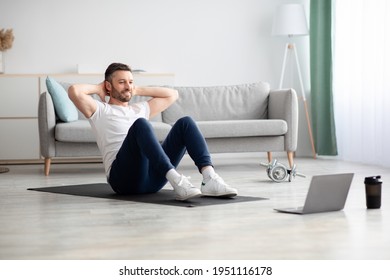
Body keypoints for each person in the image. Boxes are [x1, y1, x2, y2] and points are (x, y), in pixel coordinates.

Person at [68, 62, 238, 201]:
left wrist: (138, 90)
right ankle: (176, 180)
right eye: (122, 82)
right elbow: (74, 90)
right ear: (108, 86)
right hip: (123, 181)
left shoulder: (139, 108)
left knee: (186, 123)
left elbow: (173, 94)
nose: (128, 86)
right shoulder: (100, 110)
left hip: (153, 180)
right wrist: (98, 89)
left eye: (130, 82)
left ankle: (209, 178)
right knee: (141, 124)